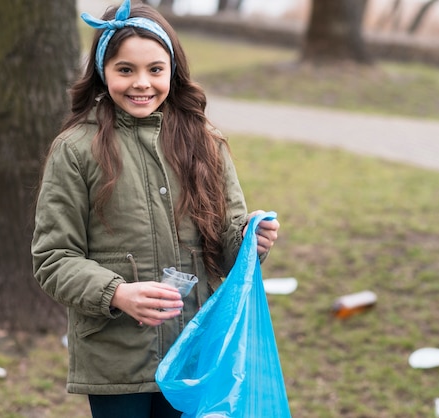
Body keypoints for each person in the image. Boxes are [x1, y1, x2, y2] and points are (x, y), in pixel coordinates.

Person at [31, 0, 280, 417]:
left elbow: (227, 243)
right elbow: (53, 259)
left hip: (195, 352)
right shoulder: (75, 150)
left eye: (155, 69)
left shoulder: (206, 144)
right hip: (117, 361)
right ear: (101, 72)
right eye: (125, 69)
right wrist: (117, 293)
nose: (141, 83)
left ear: (173, 71)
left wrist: (251, 240)